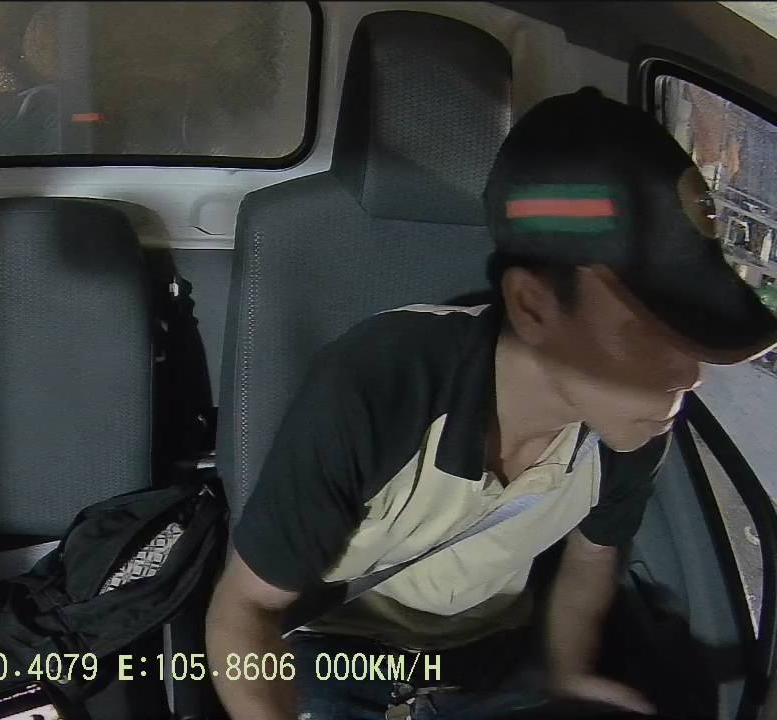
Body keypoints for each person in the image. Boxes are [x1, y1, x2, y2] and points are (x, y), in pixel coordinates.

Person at [205, 87, 777, 720]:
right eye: (646, 332)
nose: (688, 374)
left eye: (689, 332)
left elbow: (594, 553)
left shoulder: (631, 424)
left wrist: (568, 672)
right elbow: (243, 611)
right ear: (533, 306)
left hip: (492, 658)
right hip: (342, 649)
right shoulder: (384, 382)